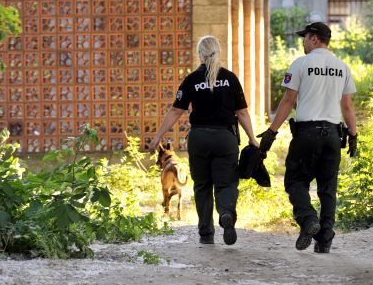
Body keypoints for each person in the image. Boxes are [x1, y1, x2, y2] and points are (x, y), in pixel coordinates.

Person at [257, 22, 358, 253]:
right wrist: (353, 135)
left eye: (305, 38)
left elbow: (288, 101)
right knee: (327, 187)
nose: (303, 42)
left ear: (314, 39)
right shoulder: (342, 67)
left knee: (295, 181)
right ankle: (324, 240)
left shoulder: (301, 64)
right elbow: (348, 106)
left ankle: (308, 219)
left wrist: (271, 132)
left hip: (307, 134)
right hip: (333, 134)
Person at [148, 36, 258, 245]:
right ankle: (226, 214)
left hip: (199, 138)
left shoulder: (192, 79)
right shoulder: (230, 78)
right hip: (225, 138)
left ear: (200, 54)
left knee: (202, 185)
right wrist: (252, 139)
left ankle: (206, 233)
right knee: (226, 183)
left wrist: (158, 137)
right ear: (218, 52)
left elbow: (175, 111)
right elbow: (242, 112)